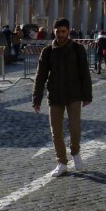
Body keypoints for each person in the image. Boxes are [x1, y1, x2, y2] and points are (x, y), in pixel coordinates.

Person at [32, 18, 93, 177]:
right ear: (54, 32)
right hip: (55, 95)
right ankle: (61, 162)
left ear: (68, 31)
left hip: (74, 94)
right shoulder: (48, 51)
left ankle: (75, 152)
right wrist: (36, 99)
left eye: (63, 31)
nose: (60, 34)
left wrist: (87, 95)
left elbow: (84, 73)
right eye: (58, 32)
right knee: (56, 131)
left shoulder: (78, 49)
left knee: (74, 127)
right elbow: (40, 76)